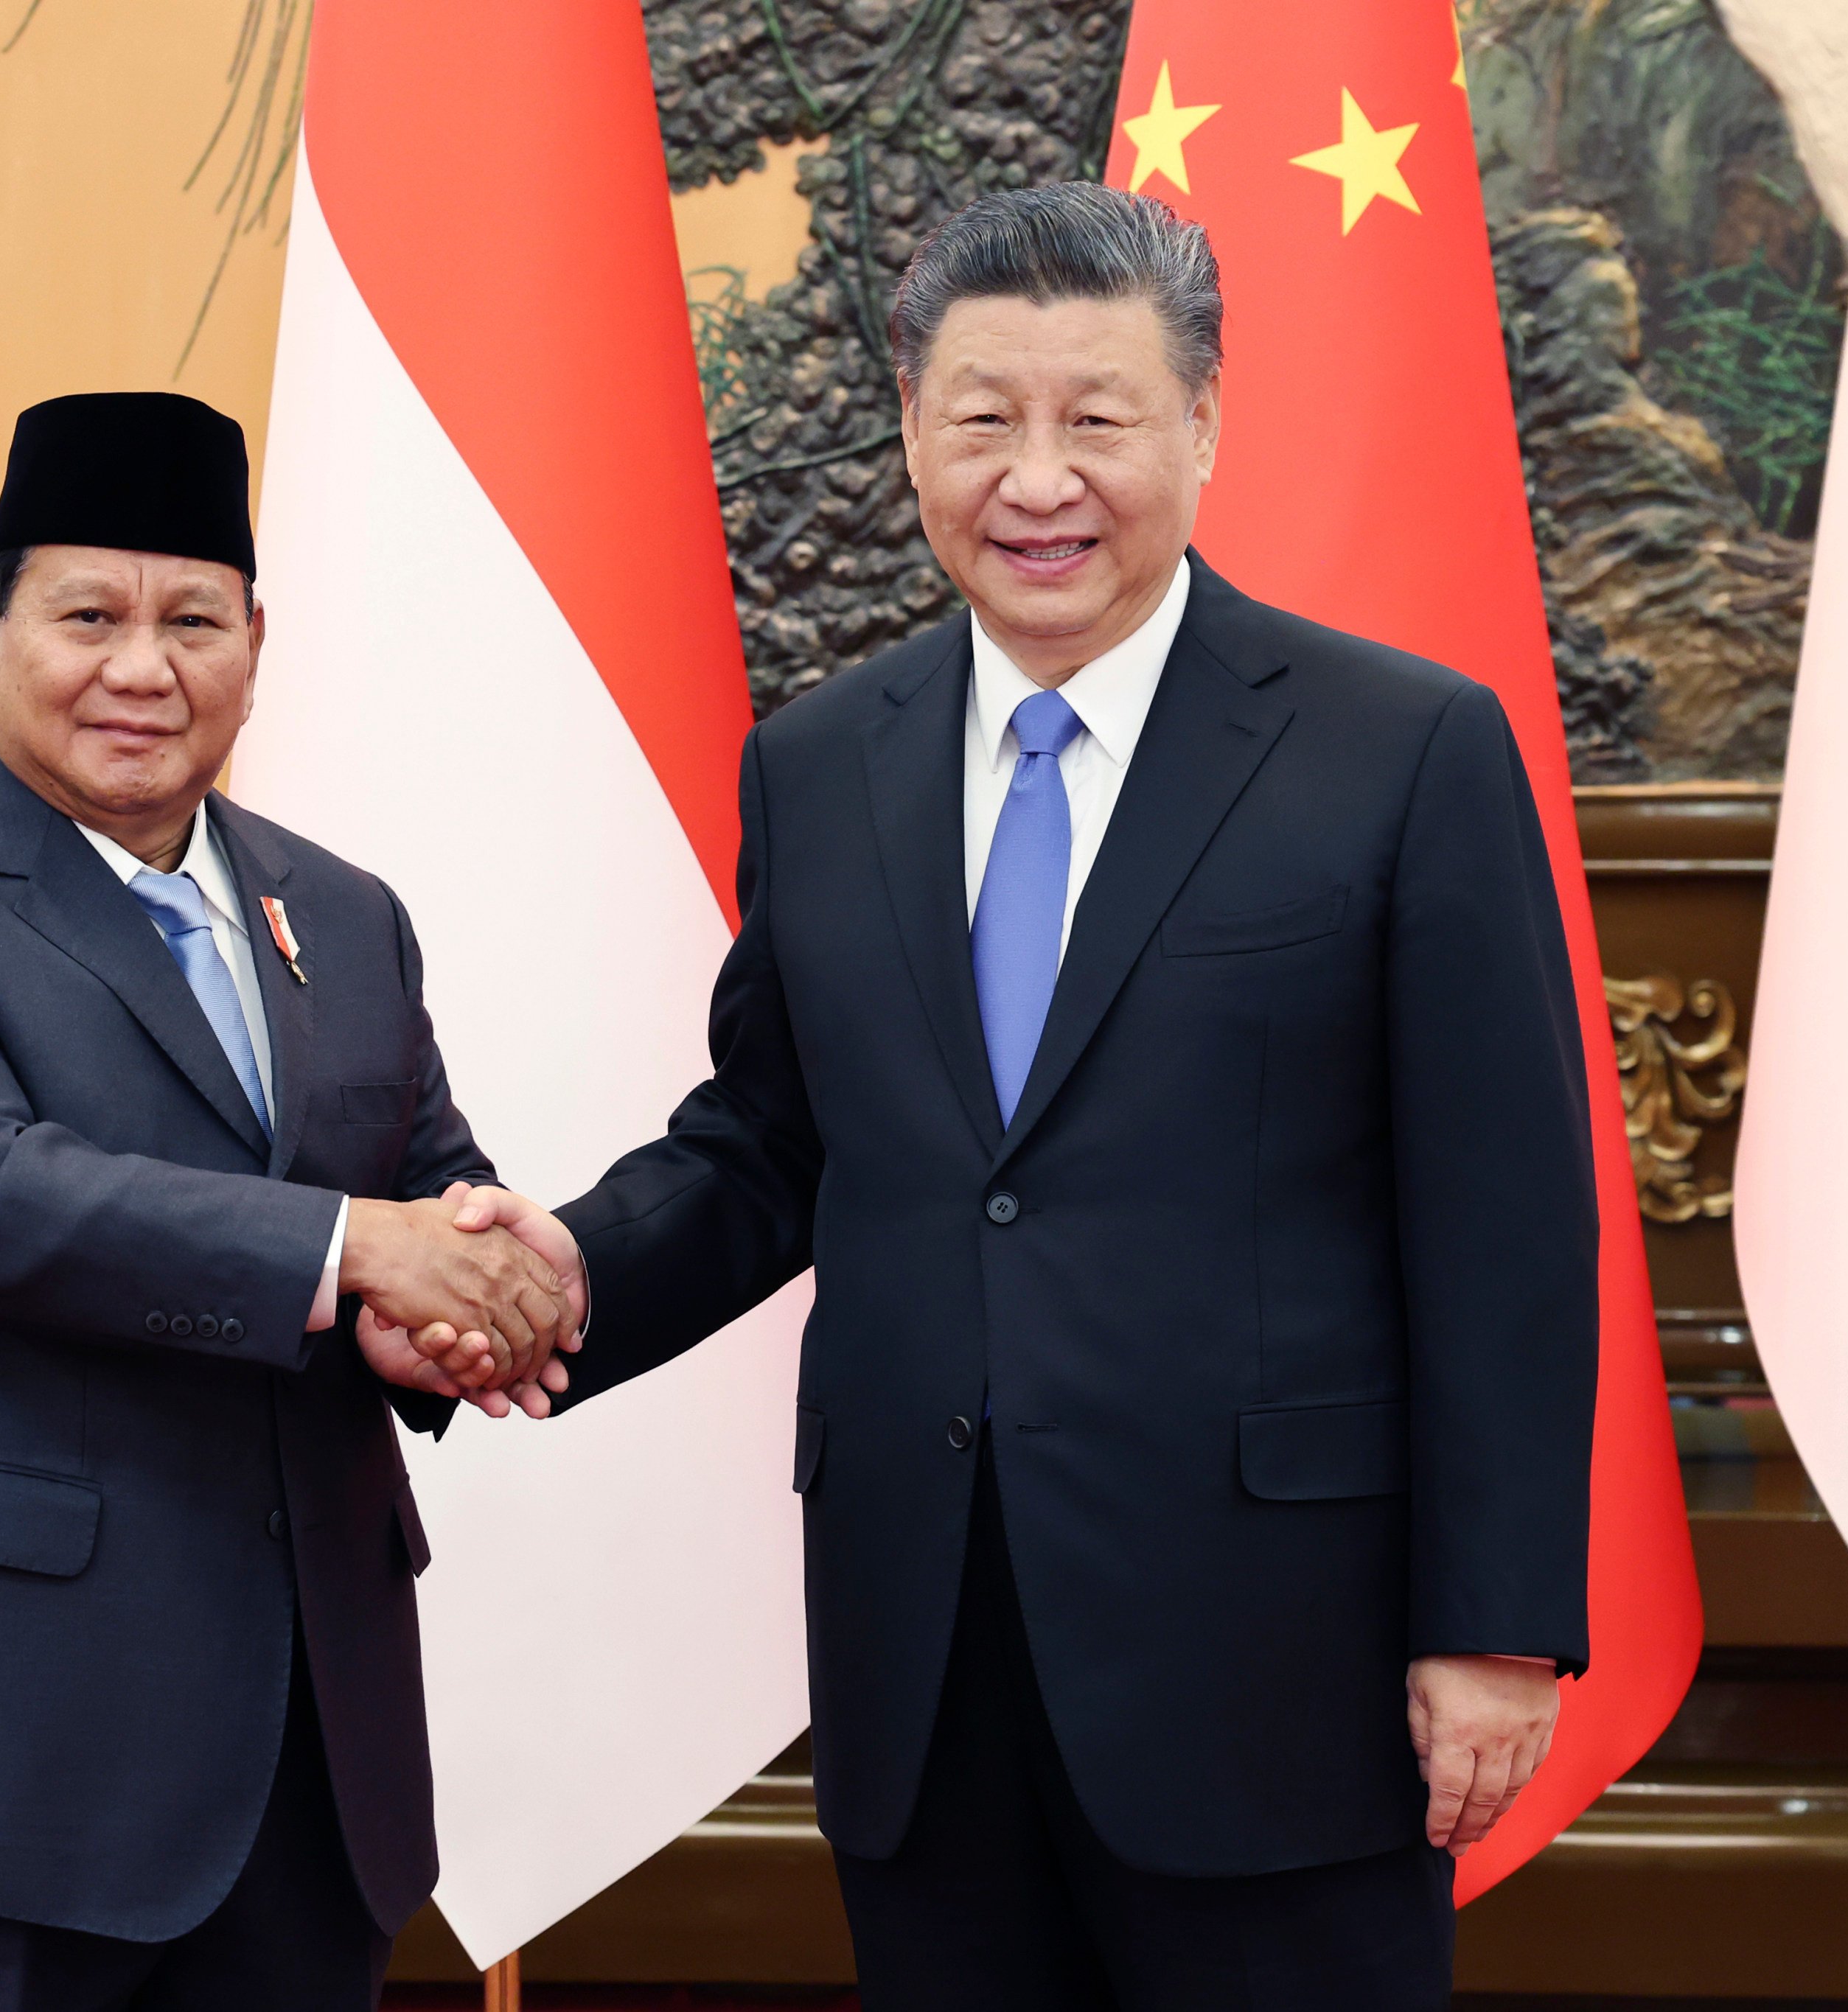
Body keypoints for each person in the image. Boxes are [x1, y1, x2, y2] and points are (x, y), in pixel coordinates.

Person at [439, 184, 1597, 2008]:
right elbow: (772, 1141)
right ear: (911, 428)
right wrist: (562, 1271)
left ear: (1202, 425)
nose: (1035, 478)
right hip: (927, 1656)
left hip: (1274, 1667)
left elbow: (1507, 1220)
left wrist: (1498, 1626)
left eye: (1097, 419)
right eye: (982, 419)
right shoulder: (824, 762)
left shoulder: (1401, 749)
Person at [0, 391, 566, 2011]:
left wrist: (463, 1309)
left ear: (255, 639)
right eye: (87, 615)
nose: (142, 667)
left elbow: (423, 1193)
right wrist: (351, 1255)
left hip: (305, 1770)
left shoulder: (342, 912)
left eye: (193, 619)